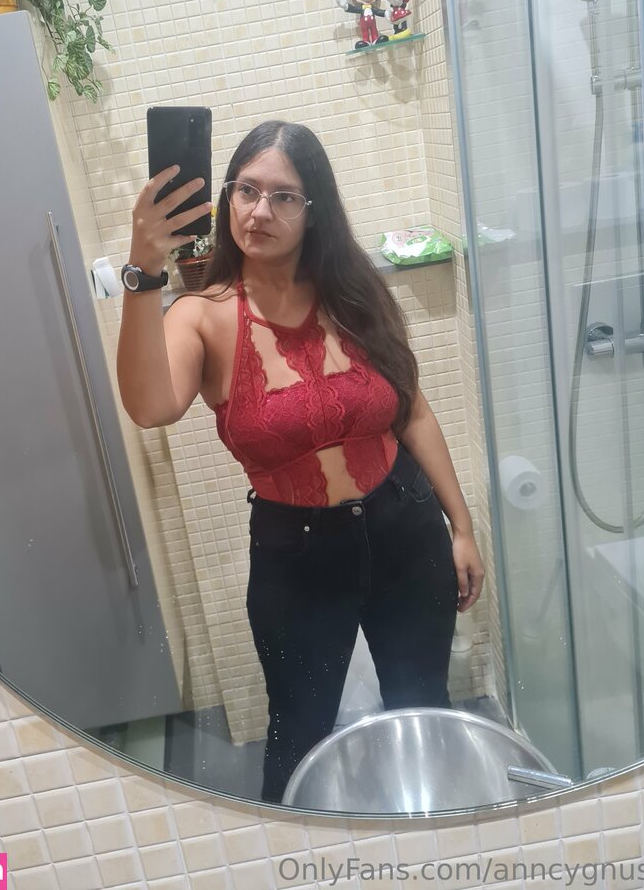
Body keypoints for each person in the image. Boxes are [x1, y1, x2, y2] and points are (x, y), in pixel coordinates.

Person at [117, 120, 485, 804]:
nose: (260, 211)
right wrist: (144, 273)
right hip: (298, 555)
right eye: (246, 191)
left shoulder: (354, 294)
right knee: (298, 732)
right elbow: (149, 406)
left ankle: (431, 837)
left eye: (284, 196)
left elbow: (413, 413)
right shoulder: (201, 316)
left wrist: (460, 527)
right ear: (226, 199)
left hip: (406, 527)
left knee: (423, 707)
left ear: (313, 210)